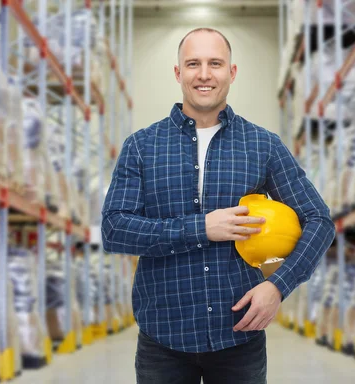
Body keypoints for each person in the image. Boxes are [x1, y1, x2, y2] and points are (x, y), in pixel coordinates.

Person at [101, 27, 335, 384]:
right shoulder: (141, 147)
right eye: (193, 64)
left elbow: (319, 220)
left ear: (232, 72)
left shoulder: (263, 145)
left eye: (215, 63)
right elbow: (115, 229)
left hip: (238, 334)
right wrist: (201, 228)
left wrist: (278, 287)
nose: (205, 74)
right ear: (178, 73)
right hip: (163, 337)